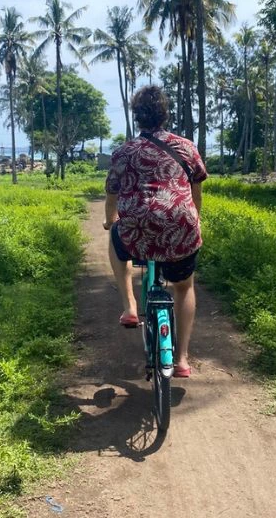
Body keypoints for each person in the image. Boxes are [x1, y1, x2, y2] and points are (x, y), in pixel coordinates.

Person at [103, 85, 208, 378]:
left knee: (115, 238)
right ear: (165, 114)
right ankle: (183, 359)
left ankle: (130, 307)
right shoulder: (185, 147)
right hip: (180, 226)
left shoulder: (123, 152)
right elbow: (195, 192)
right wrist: (193, 220)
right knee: (184, 286)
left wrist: (111, 219)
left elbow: (112, 192)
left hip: (137, 229)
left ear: (137, 116)